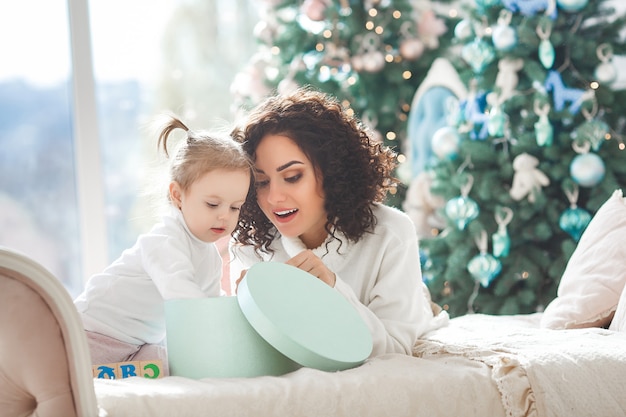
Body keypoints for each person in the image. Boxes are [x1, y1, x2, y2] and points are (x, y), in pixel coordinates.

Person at [230, 87, 447, 358]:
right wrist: (243, 311)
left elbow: (395, 350)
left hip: (414, 315)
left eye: (293, 176)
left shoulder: (392, 233)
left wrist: (332, 289)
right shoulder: (252, 245)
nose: (273, 197)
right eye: (261, 182)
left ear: (331, 171)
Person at [74, 114, 252, 371]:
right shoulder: (164, 241)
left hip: (135, 346)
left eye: (236, 207)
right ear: (178, 195)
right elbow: (184, 298)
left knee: (173, 364)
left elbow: (211, 305)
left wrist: (241, 308)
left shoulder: (209, 255)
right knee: (70, 380)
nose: (225, 215)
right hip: (90, 334)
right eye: (213, 204)